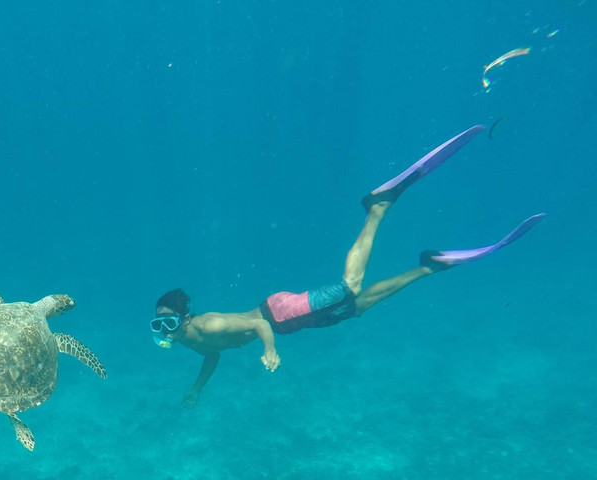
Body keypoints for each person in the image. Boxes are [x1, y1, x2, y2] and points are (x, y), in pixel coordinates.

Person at [151, 125, 545, 408]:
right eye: (158, 325)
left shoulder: (205, 325)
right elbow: (213, 356)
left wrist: (269, 351)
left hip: (279, 313)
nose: (164, 330)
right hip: (294, 323)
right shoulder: (192, 340)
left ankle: (377, 207)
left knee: (349, 285)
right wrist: (196, 390)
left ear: (186, 317)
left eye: (168, 322)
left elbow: (256, 325)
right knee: (356, 307)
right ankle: (429, 267)